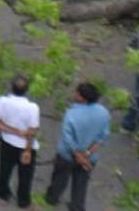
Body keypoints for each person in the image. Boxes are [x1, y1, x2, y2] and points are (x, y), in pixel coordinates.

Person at [46, 82, 111, 211]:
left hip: (67, 156)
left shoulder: (72, 114)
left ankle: (52, 198)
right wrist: (87, 154)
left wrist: (78, 156)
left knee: (59, 178)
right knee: (81, 183)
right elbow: (103, 136)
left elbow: (68, 139)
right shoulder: (103, 113)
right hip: (90, 157)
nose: (74, 94)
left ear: (83, 98)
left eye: (77, 93)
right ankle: (77, 206)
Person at [0, 75, 40, 209]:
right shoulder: (32, 107)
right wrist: (28, 150)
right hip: (25, 146)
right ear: (27, 90)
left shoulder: (3, 101)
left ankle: (3, 195)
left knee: (5, 170)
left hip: (7, 142)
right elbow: (32, 131)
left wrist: (11, 130)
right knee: (25, 175)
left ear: (11, 88)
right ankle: (24, 201)